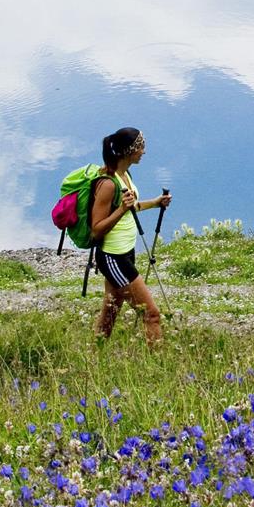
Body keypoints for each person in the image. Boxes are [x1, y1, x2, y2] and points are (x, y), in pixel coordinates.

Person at [89, 126, 168, 345]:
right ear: (129, 151)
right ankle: (158, 368)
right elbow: (97, 228)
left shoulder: (125, 175)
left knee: (111, 310)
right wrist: (122, 210)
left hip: (126, 252)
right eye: (141, 147)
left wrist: (155, 203)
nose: (144, 151)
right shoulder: (107, 183)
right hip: (113, 257)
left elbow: (130, 207)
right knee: (151, 314)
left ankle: (96, 357)